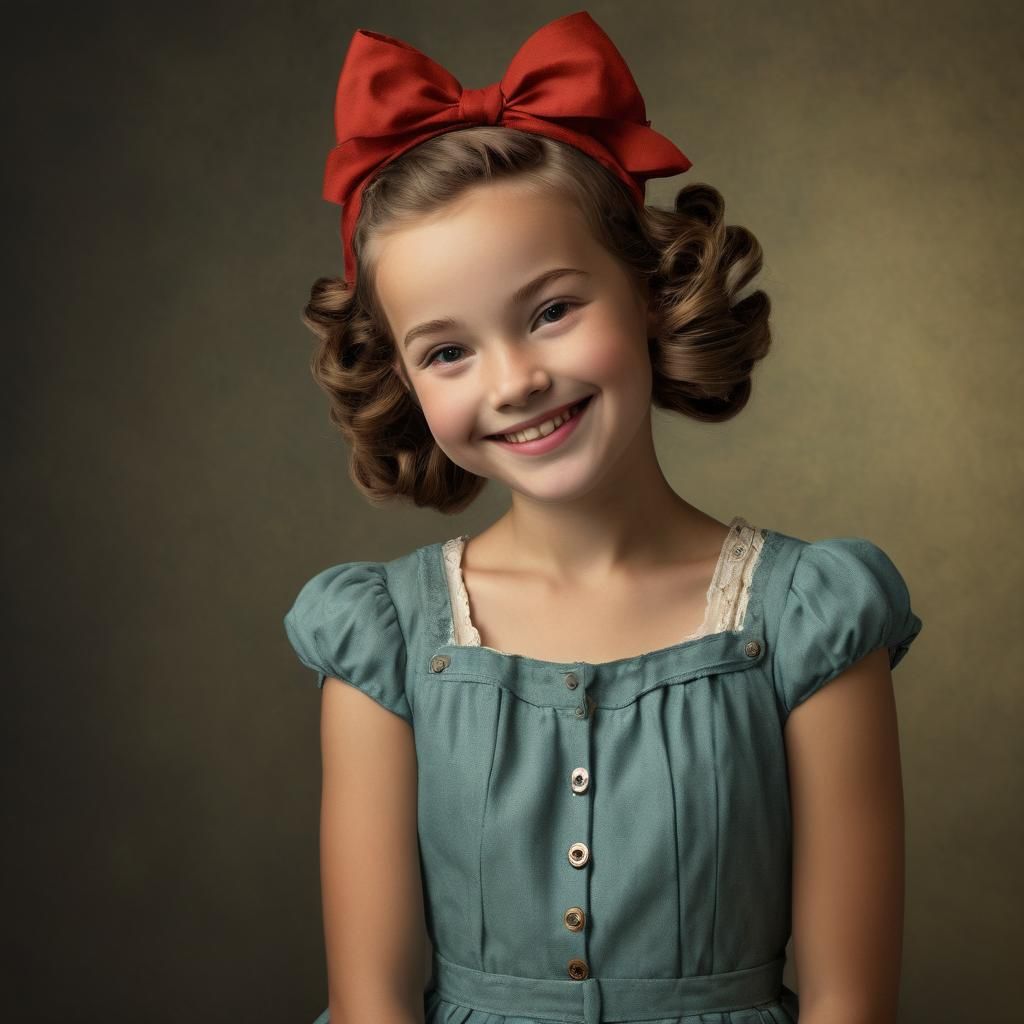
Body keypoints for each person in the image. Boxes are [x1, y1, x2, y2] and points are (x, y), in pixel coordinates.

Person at [283, 11, 924, 1024]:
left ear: (648, 289)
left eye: (549, 310)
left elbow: (851, 1005)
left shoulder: (812, 621)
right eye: (448, 350)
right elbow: (371, 1005)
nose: (516, 381)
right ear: (400, 377)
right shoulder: (384, 640)